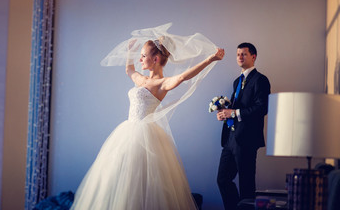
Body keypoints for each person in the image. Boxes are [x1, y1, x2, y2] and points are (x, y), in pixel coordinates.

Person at [70, 23, 224, 210]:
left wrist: (210, 59)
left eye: (143, 55)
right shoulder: (142, 79)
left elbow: (183, 77)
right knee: (122, 181)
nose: (140, 59)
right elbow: (129, 69)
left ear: (156, 59)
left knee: (142, 182)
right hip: (127, 133)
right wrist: (130, 51)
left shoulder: (161, 84)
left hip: (145, 137)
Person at [216, 42, 271, 210]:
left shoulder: (261, 80)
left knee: (246, 184)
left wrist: (233, 113)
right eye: (238, 54)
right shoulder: (236, 82)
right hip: (230, 139)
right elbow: (237, 107)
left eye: (244, 54)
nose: (240, 57)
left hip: (247, 140)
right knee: (222, 179)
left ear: (253, 57)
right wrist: (224, 112)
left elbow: (262, 108)